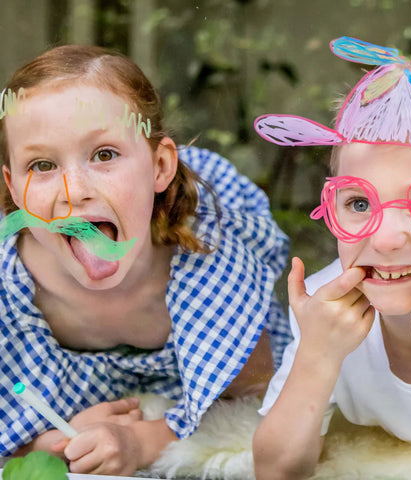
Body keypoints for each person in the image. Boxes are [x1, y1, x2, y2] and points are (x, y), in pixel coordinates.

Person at [0, 45, 291, 476]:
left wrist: (145, 440)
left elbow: (266, 400)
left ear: (159, 166)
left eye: (104, 154)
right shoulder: (10, 294)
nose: (73, 190)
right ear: (13, 186)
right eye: (41, 164)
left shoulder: (208, 270)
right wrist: (50, 445)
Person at [252, 36, 411, 480]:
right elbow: (276, 470)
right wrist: (318, 354)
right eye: (359, 204)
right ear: (330, 207)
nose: (387, 238)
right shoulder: (325, 309)